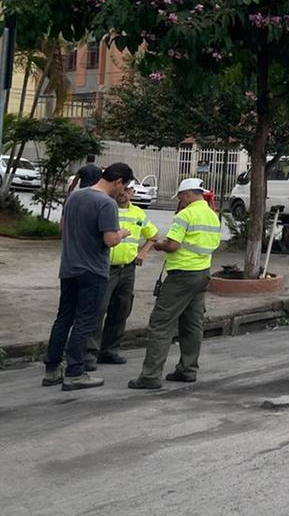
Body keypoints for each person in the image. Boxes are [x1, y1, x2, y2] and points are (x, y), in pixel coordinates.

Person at [42, 163, 134, 391]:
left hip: (69, 268)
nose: (122, 192)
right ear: (118, 181)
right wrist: (123, 232)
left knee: (63, 318)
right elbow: (110, 240)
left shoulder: (75, 197)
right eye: (124, 187)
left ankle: (52, 369)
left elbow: (63, 228)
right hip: (92, 272)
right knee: (85, 321)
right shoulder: (106, 203)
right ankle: (75, 372)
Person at [128, 178, 221, 390]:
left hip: (181, 276)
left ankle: (150, 376)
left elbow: (173, 245)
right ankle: (188, 370)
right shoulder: (212, 215)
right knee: (192, 323)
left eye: (181, 197)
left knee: (161, 323)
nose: (180, 201)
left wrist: (160, 246)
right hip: (202, 274)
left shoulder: (185, 215)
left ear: (187, 194)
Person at [84, 182, 159, 370]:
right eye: (122, 189)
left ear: (132, 193)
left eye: (128, 190)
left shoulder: (138, 214)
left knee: (121, 309)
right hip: (106, 268)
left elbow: (154, 236)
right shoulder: (107, 208)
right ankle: (89, 354)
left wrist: (143, 252)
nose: (124, 194)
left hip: (128, 269)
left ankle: (109, 350)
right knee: (99, 309)